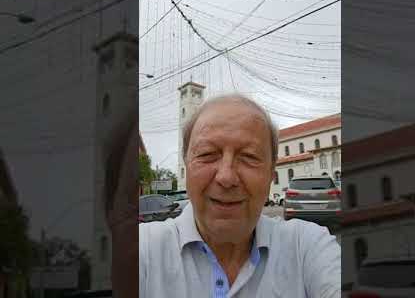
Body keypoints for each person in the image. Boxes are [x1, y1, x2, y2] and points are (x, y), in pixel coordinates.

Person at [140, 94, 341, 298]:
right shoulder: (142, 249)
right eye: (207, 154)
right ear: (186, 166)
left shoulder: (306, 247)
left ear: (272, 174)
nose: (226, 177)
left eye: (249, 157)